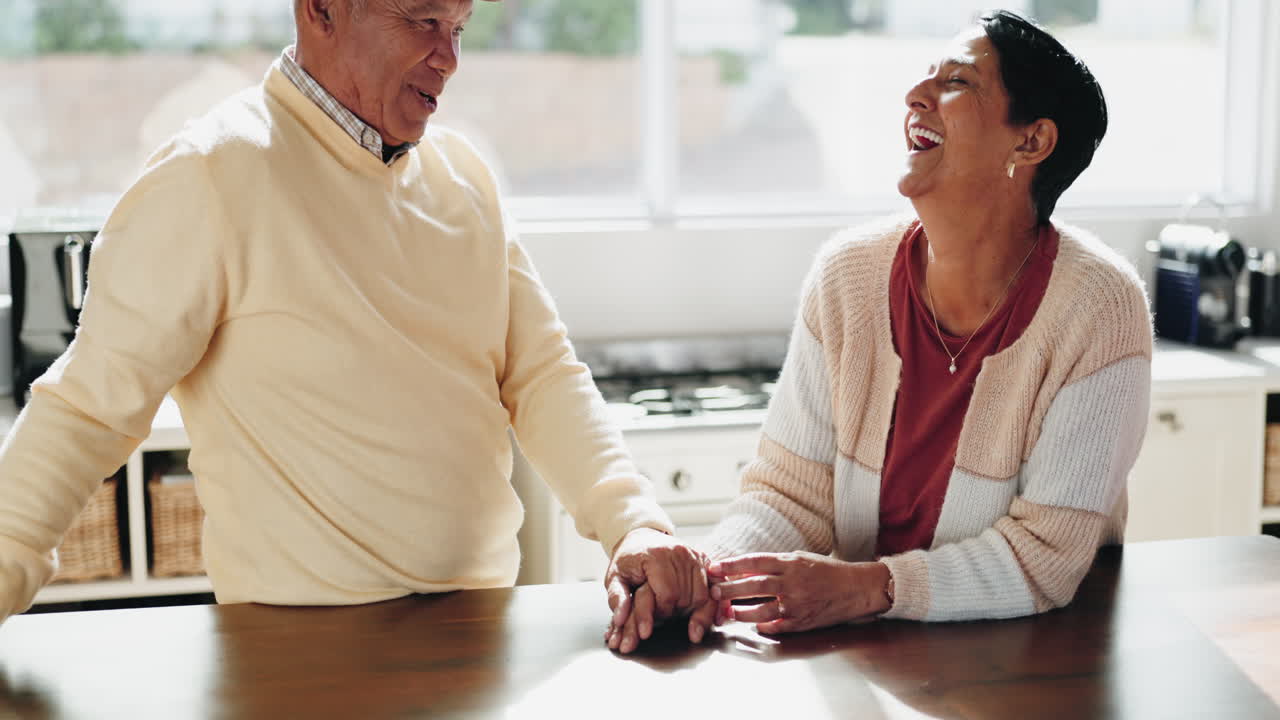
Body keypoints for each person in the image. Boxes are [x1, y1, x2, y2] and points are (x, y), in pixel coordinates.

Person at [0, 0, 712, 654]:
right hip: (300, 655)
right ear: (321, 10)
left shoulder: (465, 178)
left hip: (482, 637)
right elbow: (89, 407)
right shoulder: (211, 176)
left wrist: (633, 522)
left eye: (458, 28)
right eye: (422, 20)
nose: (450, 57)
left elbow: (544, 373)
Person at [702, 10, 1151, 632]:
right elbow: (789, 496)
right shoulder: (848, 277)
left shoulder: (1098, 309)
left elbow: (1043, 559)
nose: (916, 97)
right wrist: (708, 581)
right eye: (925, 78)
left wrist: (868, 588)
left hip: (1037, 660)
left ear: (1031, 142)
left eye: (958, 83)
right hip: (867, 657)